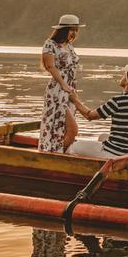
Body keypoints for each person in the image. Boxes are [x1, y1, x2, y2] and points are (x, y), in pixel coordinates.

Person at [67, 64, 128, 158]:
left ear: (127, 82)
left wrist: (75, 100)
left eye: (123, 75)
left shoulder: (118, 101)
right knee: (102, 137)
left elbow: (90, 116)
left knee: (74, 147)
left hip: (115, 153)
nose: (121, 76)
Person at [39, 13, 85, 153]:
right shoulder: (50, 44)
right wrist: (63, 84)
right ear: (63, 30)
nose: (74, 33)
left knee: (64, 128)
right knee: (71, 129)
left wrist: (72, 90)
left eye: (76, 30)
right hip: (57, 91)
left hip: (70, 90)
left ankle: (59, 153)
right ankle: (54, 154)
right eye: (72, 29)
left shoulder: (69, 46)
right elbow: (50, 66)